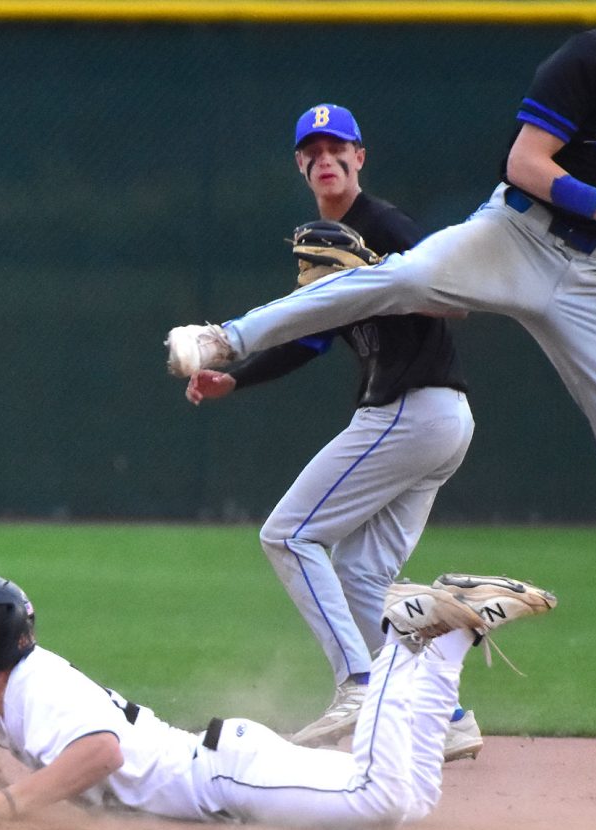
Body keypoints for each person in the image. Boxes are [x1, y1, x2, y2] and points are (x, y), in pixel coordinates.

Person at [168, 0, 596, 733]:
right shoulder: (593, 59)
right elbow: (525, 163)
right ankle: (228, 336)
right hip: (512, 233)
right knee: (398, 278)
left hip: (582, 276)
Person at [182, 104, 479, 759]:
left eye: (336, 147)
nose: (325, 158)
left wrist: (385, 280)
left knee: (288, 534)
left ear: (359, 157)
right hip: (437, 418)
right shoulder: (327, 239)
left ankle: (357, 683)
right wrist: (238, 379)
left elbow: (453, 294)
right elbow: (311, 334)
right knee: (362, 575)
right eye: (311, 150)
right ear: (300, 165)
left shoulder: (382, 225)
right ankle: (447, 715)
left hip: (411, 408)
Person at [0, 572, 554, 828]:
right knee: (412, 801)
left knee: (381, 801)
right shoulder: (5, 697)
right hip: (227, 762)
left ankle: (400, 639)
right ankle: (450, 639)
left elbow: (101, 751)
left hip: (224, 779)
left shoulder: (37, 687)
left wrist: (13, 803)